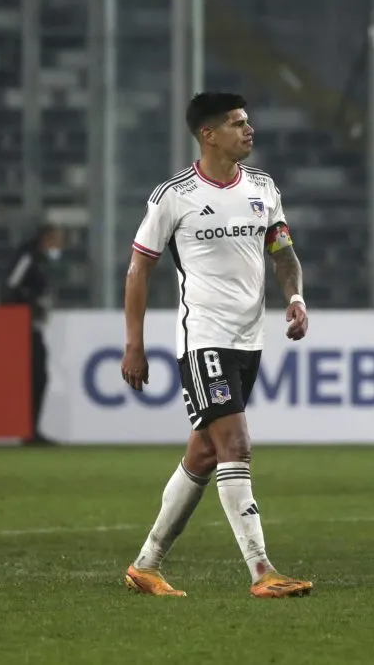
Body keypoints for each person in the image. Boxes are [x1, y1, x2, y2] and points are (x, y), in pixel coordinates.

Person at [120, 92, 313, 598]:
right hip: (203, 338)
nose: (249, 130)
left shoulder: (263, 188)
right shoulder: (174, 196)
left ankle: (146, 564)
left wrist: (295, 296)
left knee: (205, 453)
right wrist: (133, 344)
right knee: (236, 446)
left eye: (248, 121)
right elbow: (140, 268)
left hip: (250, 341)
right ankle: (262, 571)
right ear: (208, 135)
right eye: (237, 123)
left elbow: (284, 253)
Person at [1, 222, 65, 446]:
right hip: (24, 327)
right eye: (57, 239)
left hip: (33, 326)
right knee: (37, 376)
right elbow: (9, 288)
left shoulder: (39, 261)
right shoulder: (28, 258)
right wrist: (27, 310)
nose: (60, 245)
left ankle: (31, 430)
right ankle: (28, 431)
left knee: (38, 377)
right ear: (46, 239)